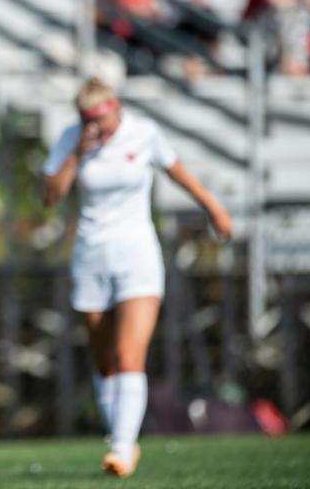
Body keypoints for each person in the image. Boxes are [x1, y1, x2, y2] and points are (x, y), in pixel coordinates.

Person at [42, 77, 232, 478]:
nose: (97, 126)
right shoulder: (73, 139)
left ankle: (124, 449)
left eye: (101, 118)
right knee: (104, 360)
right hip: (91, 257)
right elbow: (50, 195)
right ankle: (120, 439)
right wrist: (77, 153)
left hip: (138, 257)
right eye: (87, 119)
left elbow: (178, 172)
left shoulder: (144, 133)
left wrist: (214, 209)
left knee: (130, 355)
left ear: (115, 107)